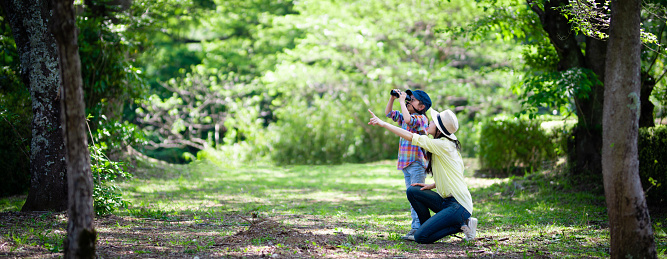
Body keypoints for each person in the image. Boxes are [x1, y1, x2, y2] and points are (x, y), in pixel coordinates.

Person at [368, 108, 478, 244]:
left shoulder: (443, 145)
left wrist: (383, 123)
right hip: (447, 202)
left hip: (459, 206)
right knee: (413, 191)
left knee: (421, 237)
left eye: (432, 122)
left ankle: (461, 226)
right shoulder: (443, 145)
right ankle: (428, 227)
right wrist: (432, 185)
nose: (429, 122)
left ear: (439, 129)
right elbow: (453, 175)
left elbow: (410, 136)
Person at [384, 89, 432, 240]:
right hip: (406, 163)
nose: (409, 100)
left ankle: (417, 228)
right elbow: (388, 113)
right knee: (412, 197)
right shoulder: (408, 115)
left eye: (413, 99)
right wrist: (392, 98)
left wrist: (401, 102)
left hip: (416, 163)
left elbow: (407, 121)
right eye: (409, 98)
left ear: (421, 106)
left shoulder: (421, 119)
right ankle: (417, 227)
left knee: (416, 197)